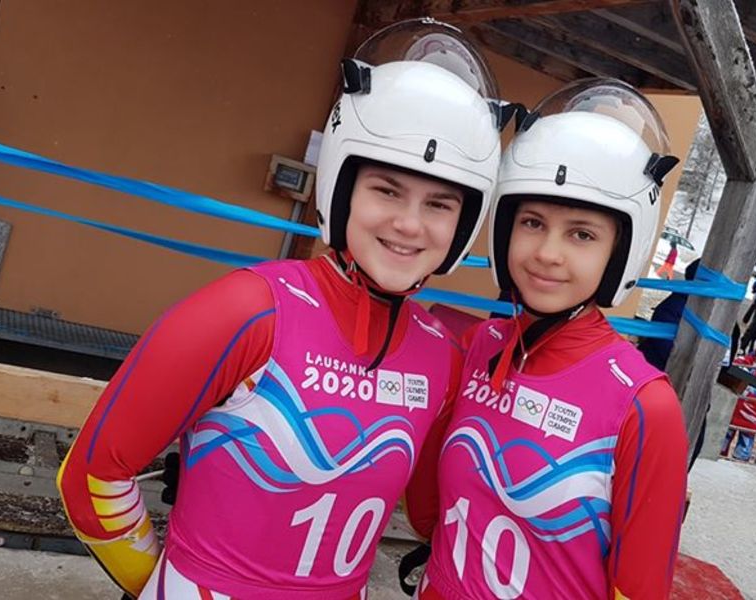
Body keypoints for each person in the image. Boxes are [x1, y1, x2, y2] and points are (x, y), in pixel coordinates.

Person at [56, 20, 505, 599]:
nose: (409, 224)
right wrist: (164, 584)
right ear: (342, 187)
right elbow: (91, 477)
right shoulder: (249, 310)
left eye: (439, 204)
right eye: (386, 190)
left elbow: (433, 516)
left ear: (465, 222)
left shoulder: (442, 354)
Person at [412, 79, 688, 600]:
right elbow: (426, 513)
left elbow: (640, 587)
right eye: (533, 222)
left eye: (582, 234)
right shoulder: (477, 346)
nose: (547, 253)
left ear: (619, 251)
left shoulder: (643, 405)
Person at [722, 337, 756, 462]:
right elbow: (731, 375)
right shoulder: (742, 361)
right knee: (722, 442)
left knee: (743, 450)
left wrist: (749, 381)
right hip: (734, 408)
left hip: (753, 413)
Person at [637, 258, 699, 370]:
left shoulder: (714, 314)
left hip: (669, 369)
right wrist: (685, 362)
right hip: (650, 366)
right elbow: (661, 337)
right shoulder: (678, 302)